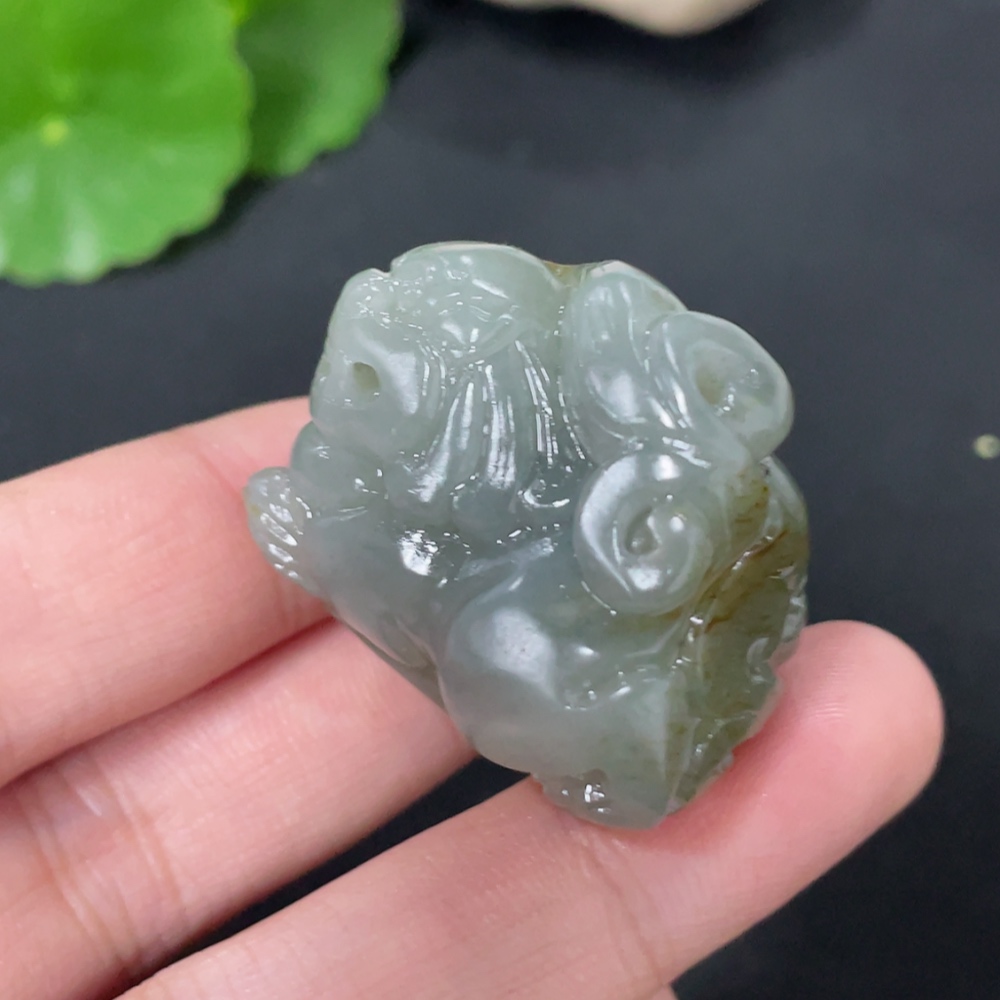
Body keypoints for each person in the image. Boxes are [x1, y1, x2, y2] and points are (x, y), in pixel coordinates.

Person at [0, 399, 943, 1000]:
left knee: (502, 648)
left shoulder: (526, 499)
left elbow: (431, 600)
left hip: (630, 691)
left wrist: (329, 548)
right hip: (622, 680)